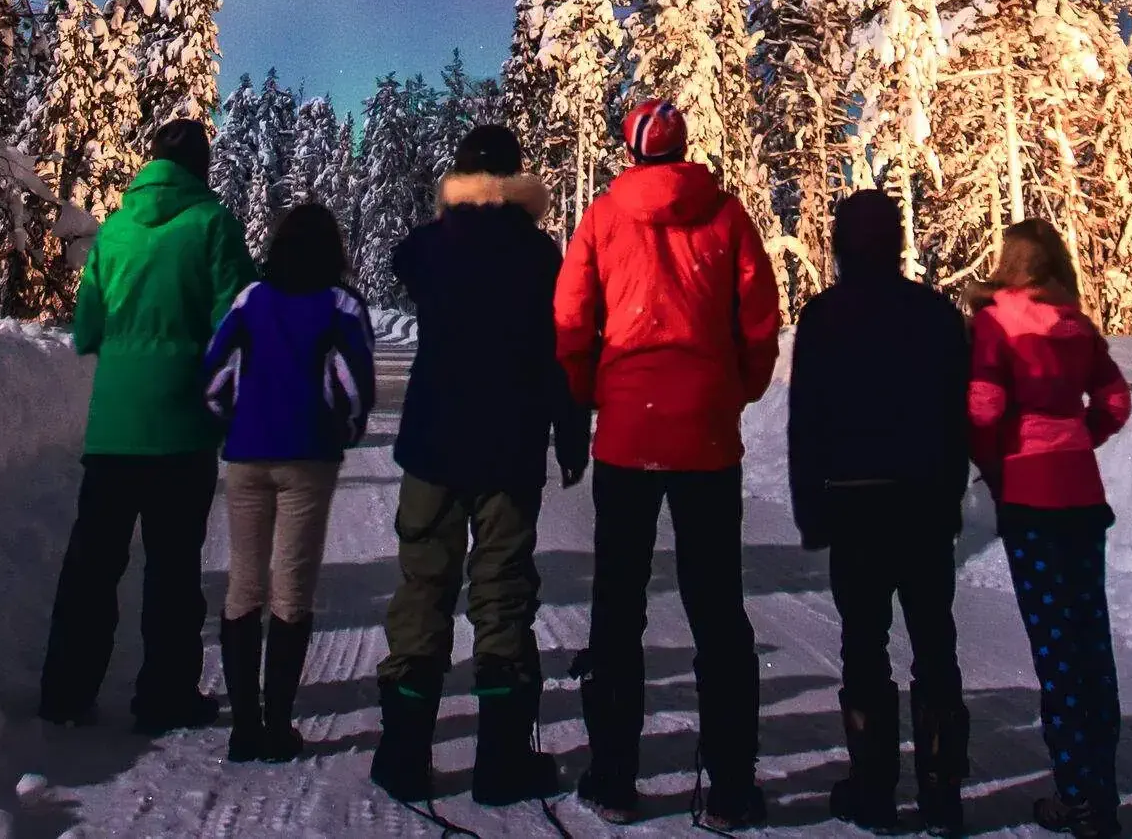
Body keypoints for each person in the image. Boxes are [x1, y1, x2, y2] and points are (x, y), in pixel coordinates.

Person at [554, 97, 781, 829]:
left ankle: (614, 777)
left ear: (632, 150)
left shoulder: (603, 218)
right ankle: (733, 788)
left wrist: (593, 394)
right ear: (683, 148)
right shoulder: (727, 217)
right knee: (717, 608)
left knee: (618, 606)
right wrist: (732, 392)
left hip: (628, 434)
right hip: (706, 438)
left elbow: (571, 320)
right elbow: (759, 320)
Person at [371, 123, 590, 807]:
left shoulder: (434, 246)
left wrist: (451, 214)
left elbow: (402, 259)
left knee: (422, 590)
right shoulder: (539, 255)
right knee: (502, 597)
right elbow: (562, 352)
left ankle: (405, 757)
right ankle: (500, 765)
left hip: (433, 445)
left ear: (462, 176)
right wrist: (570, 435)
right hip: (509, 448)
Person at [39, 117, 258, 732]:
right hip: (182, 428)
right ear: (202, 167)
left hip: (112, 430)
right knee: (172, 567)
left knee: (93, 563)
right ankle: (164, 697)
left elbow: (87, 329)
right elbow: (237, 321)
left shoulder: (112, 234)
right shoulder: (213, 225)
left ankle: (65, 693)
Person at [787, 189, 972, 835]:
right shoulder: (936, 315)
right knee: (935, 645)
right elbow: (959, 416)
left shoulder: (823, 317)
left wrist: (811, 505)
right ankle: (943, 794)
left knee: (863, 646)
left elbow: (806, 422)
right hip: (921, 502)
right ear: (896, 243)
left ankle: (872, 791)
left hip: (855, 504)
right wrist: (952, 495)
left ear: (840, 244)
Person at [969, 219, 1132, 839]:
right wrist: (1075, 440)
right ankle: (1102, 792)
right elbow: (1115, 403)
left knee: (1054, 649)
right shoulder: (1077, 325)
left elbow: (984, 404)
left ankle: (1077, 798)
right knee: (1092, 643)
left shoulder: (994, 323)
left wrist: (992, 461)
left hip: (1030, 498)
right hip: (1082, 498)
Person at [200, 199, 377, 762]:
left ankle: (243, 727)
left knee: (243, 587)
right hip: (308, 458)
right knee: (291, 590)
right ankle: (277, 724)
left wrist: (234, 421)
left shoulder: (252, 298)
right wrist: (342, 432)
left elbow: (216, 370)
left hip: (248, 454)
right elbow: (354, 383)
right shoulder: (343, 304)